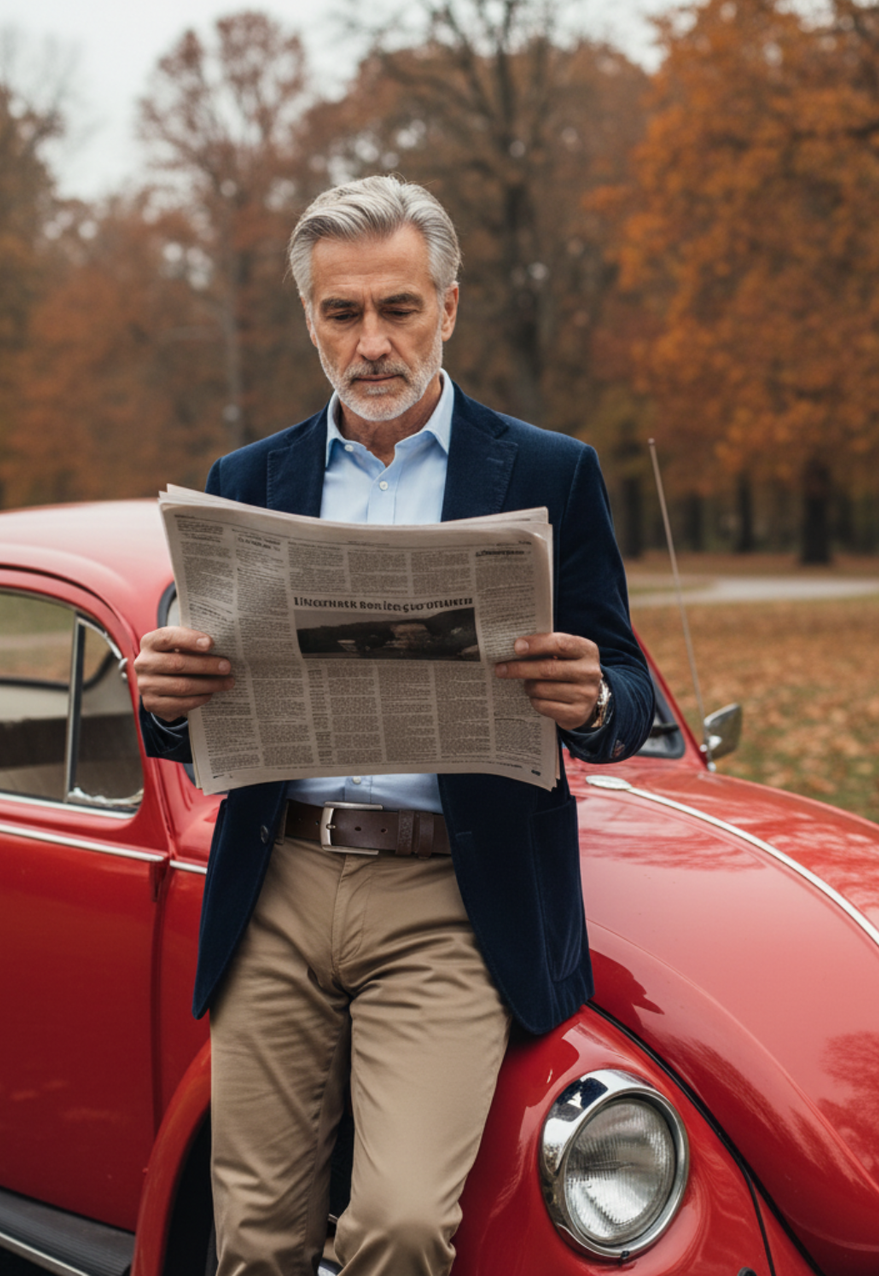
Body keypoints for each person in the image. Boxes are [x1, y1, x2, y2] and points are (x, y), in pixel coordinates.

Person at [135, 176, 653, 1276]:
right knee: (254, 1235)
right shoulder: (249, 480)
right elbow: (186, 719)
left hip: (449, 899)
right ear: (311, 319)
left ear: (449, 307)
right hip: (278, 883)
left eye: (398, 308)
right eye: (341, 313)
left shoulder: (549, 473)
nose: (371, 342)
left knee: (405, 1223)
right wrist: (165, 697)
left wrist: (594, 695)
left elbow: (626, 686)